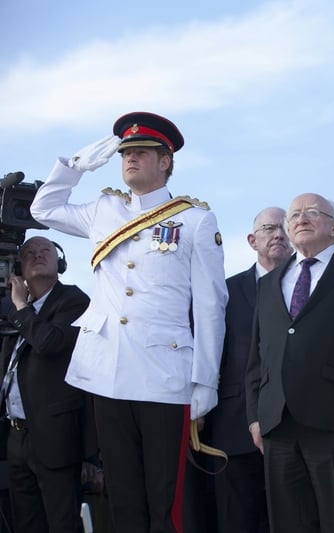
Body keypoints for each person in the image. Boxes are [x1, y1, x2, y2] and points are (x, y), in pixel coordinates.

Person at [29, 112, 228, 533]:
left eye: (141, 152)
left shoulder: (194, 220)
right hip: (108, 372)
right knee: (122, 498)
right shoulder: (105, 208)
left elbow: (211, 306)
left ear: (166, 161)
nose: (130, 159)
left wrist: (205, 381)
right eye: (125, 153)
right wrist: (74, 166)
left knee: (166, 501)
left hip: (165, 377)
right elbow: (43, 208)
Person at [245, 193, 334, 532]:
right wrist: (254, 416)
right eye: (294, 215)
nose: (301, 219)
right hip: (277, 426)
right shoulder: (267, 285)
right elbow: (256, 359)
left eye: (312, 213)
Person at [206, 207, 292, 533]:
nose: (279, 234)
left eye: (284, 227)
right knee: (236, 522)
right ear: (252, 240)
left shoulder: (312, 289)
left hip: (295, 428)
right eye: (270, 228)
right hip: (233, 426)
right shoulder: (224, 292)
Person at [0, 236, 91, 532]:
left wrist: (19, 307)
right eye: (28, 253)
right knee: (26, 524)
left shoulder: (73, 300)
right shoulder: (16, 312)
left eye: (45, 251)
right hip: (17, 436)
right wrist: (19, 308)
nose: (37, 255)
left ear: (59, 262)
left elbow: (49, 342)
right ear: (19, 268)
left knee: (62, 524)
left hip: (55, 437)